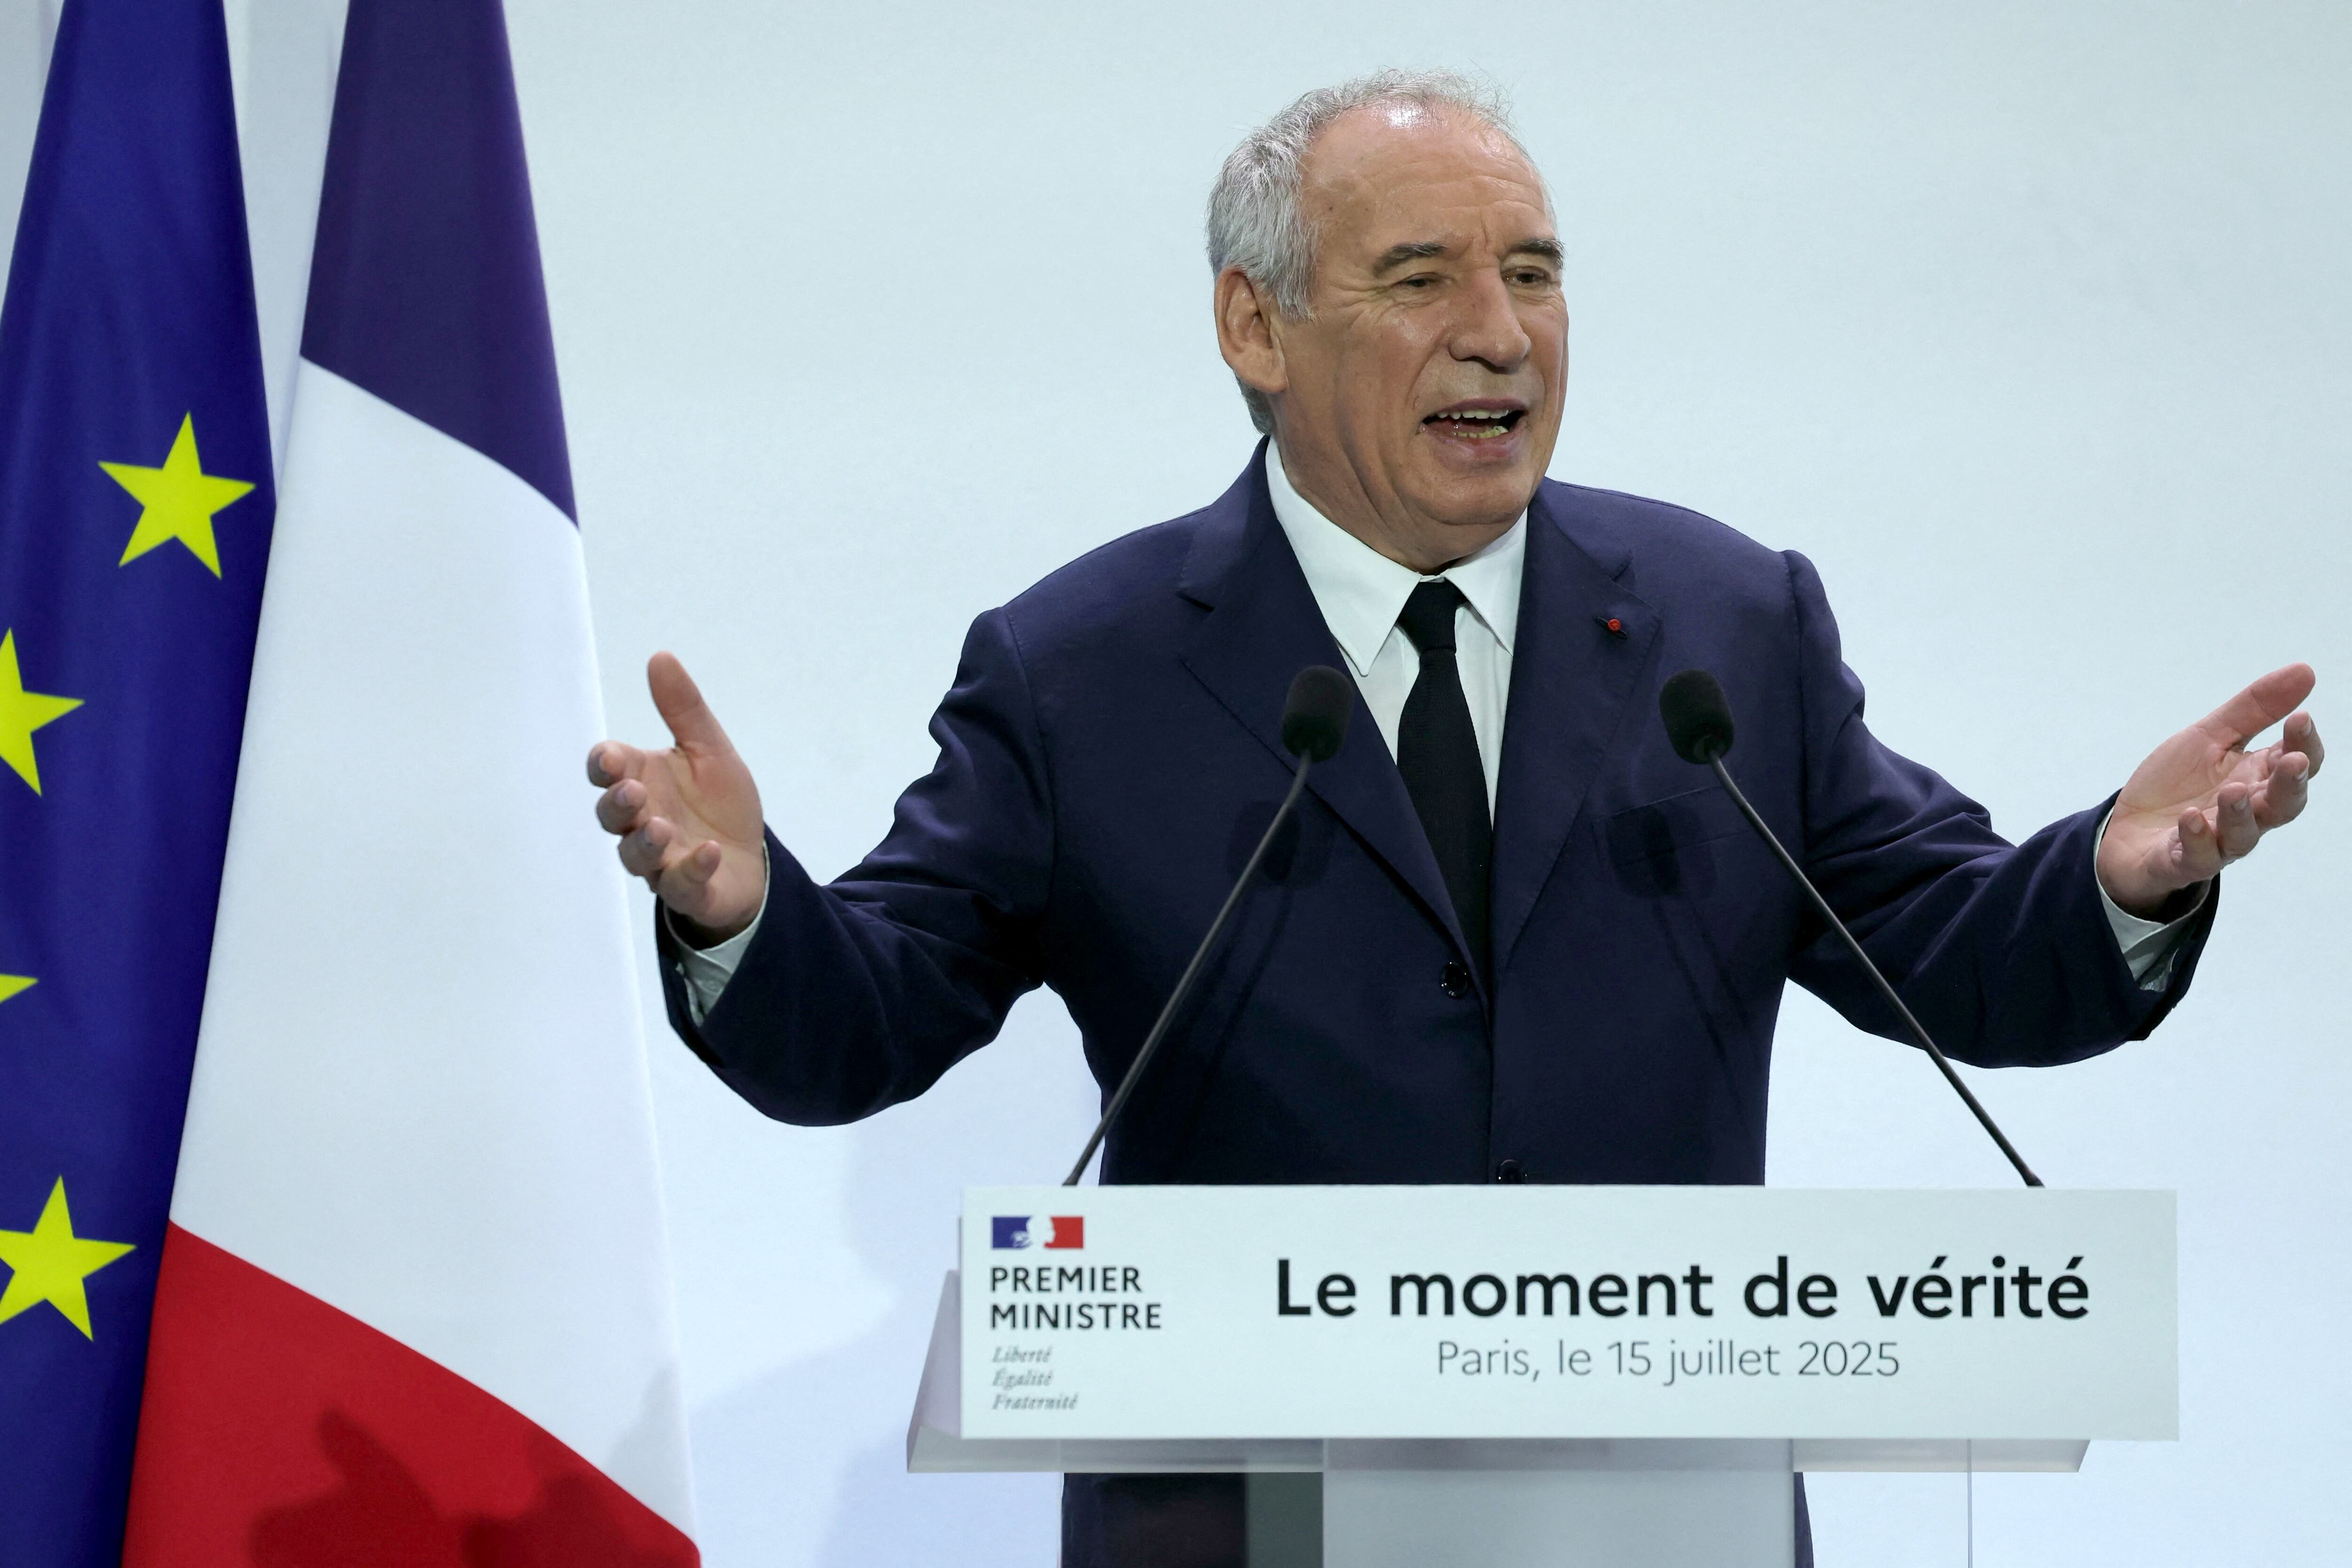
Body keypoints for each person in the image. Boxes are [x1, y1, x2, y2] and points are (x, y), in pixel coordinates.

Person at [586, 71, 2320, 1568]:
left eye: (1536, 274)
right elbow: (867, 1013)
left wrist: (2113, 880)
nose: (1502, 331)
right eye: (1421, 278)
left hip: (1665, 1521)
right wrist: (744, 912)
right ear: (1254, 326)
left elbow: (1943, 943)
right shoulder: (1082, 671)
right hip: (1244, 1528)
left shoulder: (1729, 626)